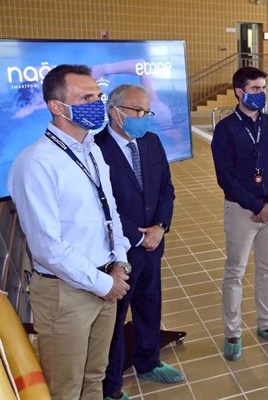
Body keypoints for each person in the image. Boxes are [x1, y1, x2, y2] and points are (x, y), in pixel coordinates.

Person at [8, 64, 131, 399]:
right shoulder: (36, 163)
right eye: (86, 97)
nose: (97, 103)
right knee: (64, 388)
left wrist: (119, 263)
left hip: (106, 281)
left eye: (98, 95)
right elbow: (48, 247)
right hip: (67, 294)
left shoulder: (92, 149)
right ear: (57, 107)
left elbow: (111, 213)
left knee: (94, 377)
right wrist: (105, 284)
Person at [95, 84, 182, 400]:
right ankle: (110, 385)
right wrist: (138, 234)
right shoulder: (96, 149)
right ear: (116, 112)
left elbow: (166, 189)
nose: (145, 118)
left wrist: (160, 227)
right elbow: (102, 205)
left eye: (148, 112)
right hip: (119, 251)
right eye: (138, 111)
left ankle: (148, 361)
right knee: (115, 319)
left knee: (150, 305)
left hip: (153, 245)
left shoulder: (151, 142)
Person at [211, 66, 268, 361]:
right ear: (239, 92)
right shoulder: (226, 128)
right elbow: (225, 177)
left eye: (263, 88)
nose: (261, 94)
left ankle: (266, 323)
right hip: (241, 209)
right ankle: (232, 331)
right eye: (255, 89)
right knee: (235, 271)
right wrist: (256, 205)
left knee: (267, 269)